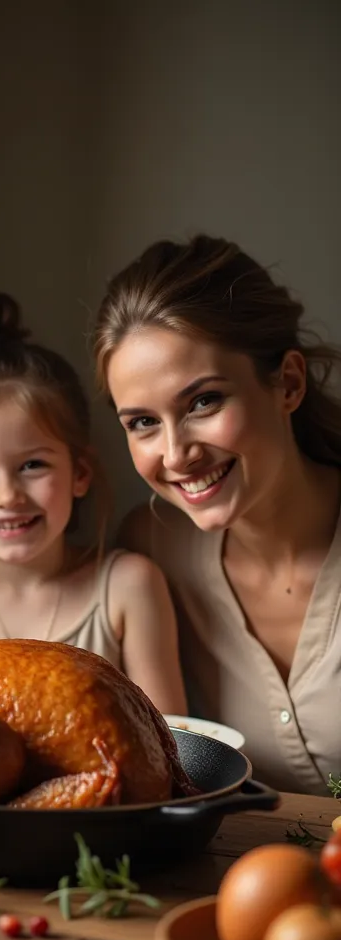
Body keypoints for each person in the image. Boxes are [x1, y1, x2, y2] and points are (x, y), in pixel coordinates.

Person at [96, 233, 341, 794]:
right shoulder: (151, 549)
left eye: (203, 401)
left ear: (288, 384)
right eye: (142, 423)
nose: (177, 454)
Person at [0, 293, 187, 714]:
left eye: (32, 465)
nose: (8, 496)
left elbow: (170, 742)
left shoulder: (128, 586)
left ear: (80, 472)